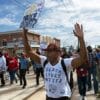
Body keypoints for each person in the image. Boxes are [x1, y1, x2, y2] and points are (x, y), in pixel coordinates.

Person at [23, 23, 88, 100]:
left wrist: (81, 38)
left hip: (62, 97)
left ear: (58, 53)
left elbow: (83, 58)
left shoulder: (65, 63)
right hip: (48, 97)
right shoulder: (44, 61)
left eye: (50, 51)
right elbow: (29, 52)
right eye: (47, 51)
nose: (47, 53)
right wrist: (24, 34)